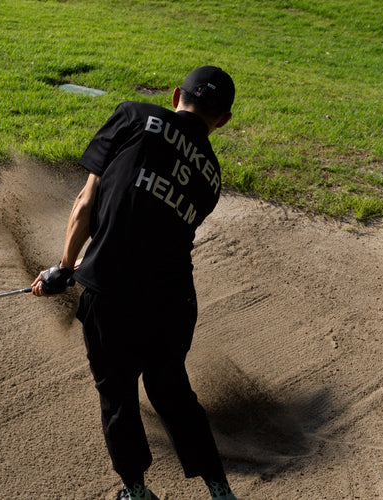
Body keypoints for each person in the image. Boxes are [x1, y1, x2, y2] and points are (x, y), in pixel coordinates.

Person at [32, 66, 238, 500]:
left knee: (119, 396)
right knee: (171, 392)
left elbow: (87, 202)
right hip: (175, 302)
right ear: (222, 120)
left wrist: (64, 267)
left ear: (176, 92)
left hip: (113, 293)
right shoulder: (213, 178)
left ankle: (137, 492)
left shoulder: (134, 115)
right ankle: (220, 491)